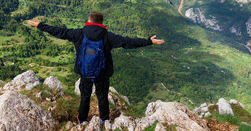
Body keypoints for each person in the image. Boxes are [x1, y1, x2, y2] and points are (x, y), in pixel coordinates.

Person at [28, 11, 164, 123]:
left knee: (85, 96)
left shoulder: (79, 34)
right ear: (101, 23)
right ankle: (105, 119)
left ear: (89, 20)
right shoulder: (107, 36)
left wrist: (40, 25)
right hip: (102, 73)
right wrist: (148, 41)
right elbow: (127, 42)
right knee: (102, 96)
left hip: (85, 72)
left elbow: (59, 32)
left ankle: (82, 119)